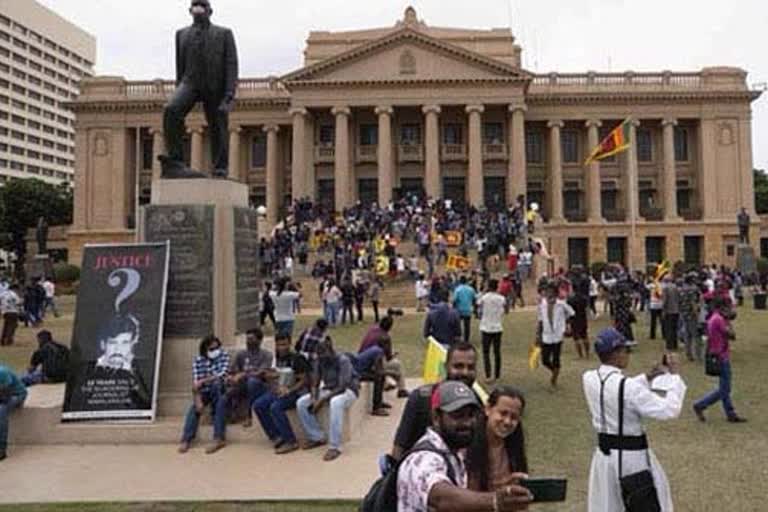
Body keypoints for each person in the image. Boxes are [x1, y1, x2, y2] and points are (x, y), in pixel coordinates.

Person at [583, 327, 685, 512]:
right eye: (625, 350)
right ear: (616, 354)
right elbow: (669, 410)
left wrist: (648, 376)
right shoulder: (628, 388)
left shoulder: (589, 378)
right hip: (632, 459)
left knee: (607, 505)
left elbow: (616, 390)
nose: (627, 354)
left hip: (604, 458)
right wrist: (674, 378)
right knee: (644, 503)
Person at [397, 380, 532, 512]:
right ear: (436, 417)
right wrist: (496, 501)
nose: (467, 423)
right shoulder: (422, 459)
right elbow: (441, 499)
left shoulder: (453, 453)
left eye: (470, 416)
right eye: (458, 416)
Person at [161, 0, 239, 178]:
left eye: (202, 6)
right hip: (190, 83)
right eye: (195, 6)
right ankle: (176, 160)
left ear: (210, 11)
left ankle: (220, 168)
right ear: (190, 11)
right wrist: (179, 88)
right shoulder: (181, 34)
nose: (198, 10)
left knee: (218, 124)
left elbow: (231, 64)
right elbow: (180, 65)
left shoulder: (224, 33)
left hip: (215, 85)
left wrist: (228, 95)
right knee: (171, 109)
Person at [390, 342, 478, 461]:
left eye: (470, 367)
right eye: (458, 366)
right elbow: (399, 447)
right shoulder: (420, 400)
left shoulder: (478, 404)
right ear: (446, 366)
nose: (465, 372)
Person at [296, 337, 359, 461]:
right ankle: (316, 437)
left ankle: (335, 447)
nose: (321, 357)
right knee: (301, 402)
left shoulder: (343, 360)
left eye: (323, 354)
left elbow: (342, 386)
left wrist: (322, 400)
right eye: (319, 355)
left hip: (348, 390)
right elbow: (315, 382)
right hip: (329, 390)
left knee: (335, 403)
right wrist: (314, 398)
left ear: (331, 350)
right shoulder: (320, 361)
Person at [251, 332, 311, 454]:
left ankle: (291, 441)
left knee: (275, 407)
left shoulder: (297, 359)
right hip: (280, 390)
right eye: (279, 345)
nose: (281, 348)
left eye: (284, 344)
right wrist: (270, 376)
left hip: (296, 392)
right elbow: (275, 374)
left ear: (290, 344)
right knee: (258, 405)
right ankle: (276, 436)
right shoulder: (277, 358)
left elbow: (304, 380)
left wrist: (289, 390)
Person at [693, 297, 747, 423]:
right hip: (721, 356)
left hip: (719, 355)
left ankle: (730, 413)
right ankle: (701, 405)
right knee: (725, 389)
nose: (730, 310)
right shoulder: (718, 320)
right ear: (722, 308)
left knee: (724, 388)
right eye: (728, 307)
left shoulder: (715, 318)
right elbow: (732, 335)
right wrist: (728, 321)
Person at [466, 386, 528, 492]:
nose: (507, 421)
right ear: (488, 409)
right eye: (503, 413)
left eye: (514, 417)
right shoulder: (467, 445)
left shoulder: (514, 447)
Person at [178, 335, 231, 454]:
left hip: (221, 390)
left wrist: (204, 381)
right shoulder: (198, 360)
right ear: (205, 349)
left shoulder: (223, 355)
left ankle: (218, 438)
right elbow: (196, 384)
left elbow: (223, 374)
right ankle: (186, 439)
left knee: (219, 394)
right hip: (205, 392)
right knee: (194, 409)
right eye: (212, 349)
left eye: (217, 348)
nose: (215, 351)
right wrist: (197, 400)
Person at [228, 328, 273, 427]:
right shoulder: (241, 354)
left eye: (251, 339)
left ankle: (249, 416)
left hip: (260, 385)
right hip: (242, 384)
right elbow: (233, 371)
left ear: (259, 340)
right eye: (247, 339)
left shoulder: (266, 355)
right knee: (229, 386)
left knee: (252, 382)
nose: (248, 342)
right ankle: (227, 414)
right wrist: (232, 377)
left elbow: (260, 373)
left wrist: (244, 374)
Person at [359, 316, 408, 399]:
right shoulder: (385, 337)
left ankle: (386, 383)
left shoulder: (372, 330)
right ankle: (401, 390)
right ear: (390, 327)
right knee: (397, 365)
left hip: (361, 359)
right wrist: (394, 354)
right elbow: (388, 357)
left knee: (383, 363)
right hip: (371, 365)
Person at [536, 282, 574, 388]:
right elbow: (540, 320)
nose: (548, 293)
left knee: (556, 358)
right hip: (546, 335)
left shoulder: (561, 304)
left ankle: (554, 379)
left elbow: (571, 313)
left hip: (558, 335)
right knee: (545, 359)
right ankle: (555, 371)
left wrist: (567, 325)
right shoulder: (542, 304)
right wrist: (538, 334)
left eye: (551, 291)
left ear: (555, 293)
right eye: (547, 291)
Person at [476, 279, 506, 383]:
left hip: (486, 327)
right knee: (497, 352)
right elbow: (506, 310)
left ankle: (488, 375)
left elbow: (478, 308)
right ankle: (497, 375)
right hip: (497, 327)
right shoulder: (501, 298)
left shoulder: (484, 298)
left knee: (486, 352)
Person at [0, 364, 28, 461]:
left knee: (1, 410)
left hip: (16, 394)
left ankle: (2, 449)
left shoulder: (2, 372)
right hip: (3, 395)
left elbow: (5, 397)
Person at [453, 276, 477, 343]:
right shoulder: (471, 289)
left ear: (460, 281)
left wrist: (453, 309)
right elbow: (474, 299)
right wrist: (475, 309)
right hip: (468, 310)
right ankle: (466, 340)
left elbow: (455, 300)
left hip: (459, 310)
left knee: (457, 325)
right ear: (466, 281)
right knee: (467, 326)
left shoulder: (457, 289)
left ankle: (457, 338)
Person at [661, 275, 680, 351]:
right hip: (676, 310)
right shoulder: (676, 287)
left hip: (669, 310)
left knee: (669, 328)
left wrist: (663, 309)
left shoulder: (665, 288)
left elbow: (665, 300)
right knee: (675, 328)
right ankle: (675, 344)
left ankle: (669, 345)